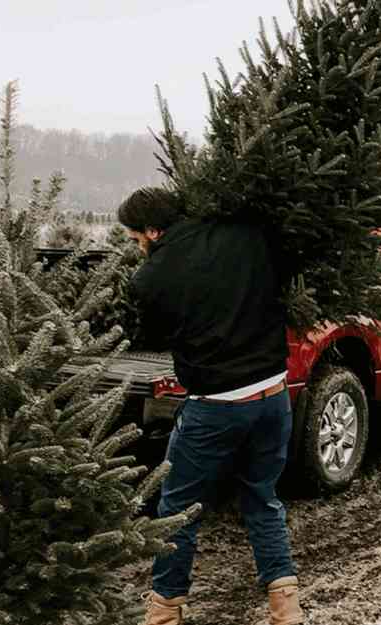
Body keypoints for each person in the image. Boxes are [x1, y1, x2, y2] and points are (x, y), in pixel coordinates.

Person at [117, 187, 304, 625]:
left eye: (134, 238)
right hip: (274, 397)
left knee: (177, 509)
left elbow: (155, 335)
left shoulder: (151, 278)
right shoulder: (245, 233)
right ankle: (286, 610)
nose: (136, 247)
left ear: (152, 230)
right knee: (262, 498)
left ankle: (164, 611)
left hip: (215, 407)